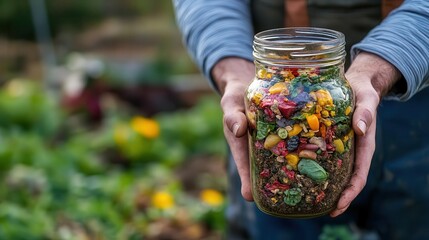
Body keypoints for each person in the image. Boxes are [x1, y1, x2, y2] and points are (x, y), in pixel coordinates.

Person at [173, 0, 429, 239]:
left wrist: (384, 64)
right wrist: (231, 68)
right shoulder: (260, 95)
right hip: (261, 74)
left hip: (412, 89)